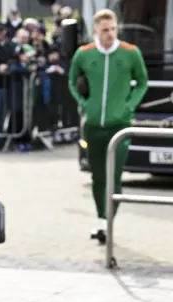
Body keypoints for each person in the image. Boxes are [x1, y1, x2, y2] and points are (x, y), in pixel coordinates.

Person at [68, 8, 147, 244]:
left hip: (120, 126)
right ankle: (101, 219)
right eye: (105, 30)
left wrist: (128, 106)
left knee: (115, 174)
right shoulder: (84, 54)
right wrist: (84, 103)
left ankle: (107, 221)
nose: (110, 34)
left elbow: (142, 82)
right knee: (98, 176)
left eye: (113, 29)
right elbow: (72, 81)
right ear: (96, 31)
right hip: (94, 125)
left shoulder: (131, 53)